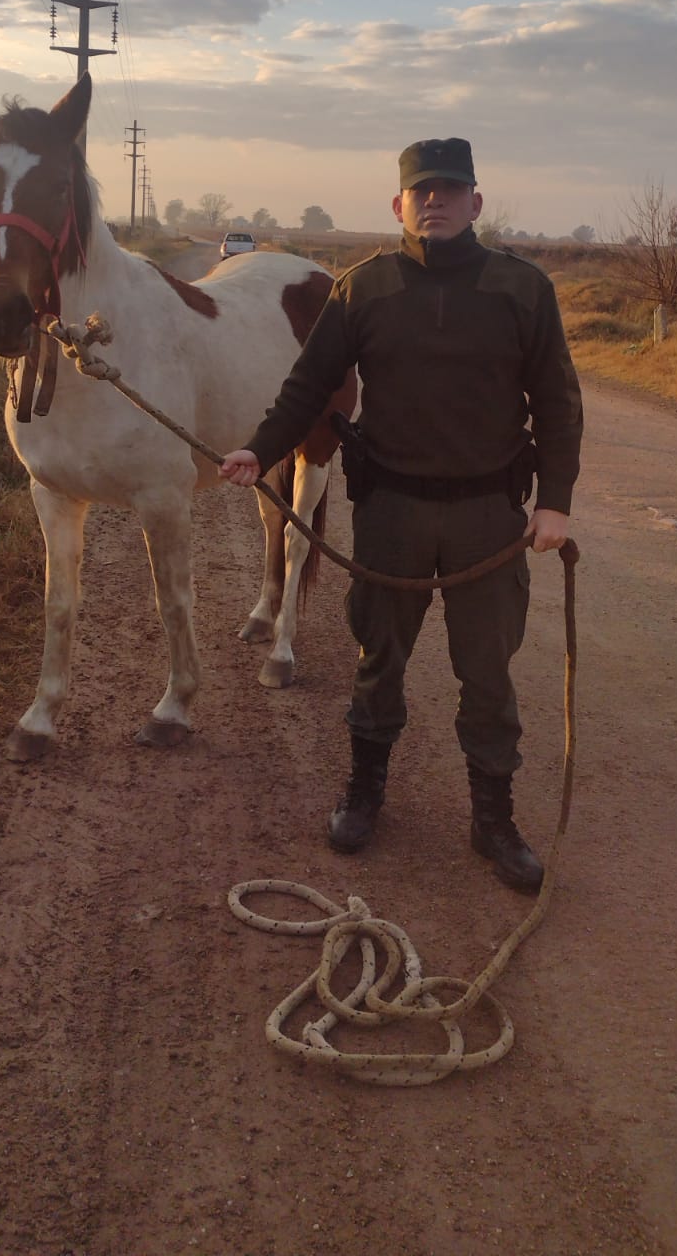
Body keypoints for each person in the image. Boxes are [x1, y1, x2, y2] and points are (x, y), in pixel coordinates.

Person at [219, 137, 582, 892]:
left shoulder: (523, 289)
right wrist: (260, 449)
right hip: (393, 513)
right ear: (399, 206)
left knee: (487, 674)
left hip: (488, 515)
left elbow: (557, 401)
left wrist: (554, 503)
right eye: (422, 191)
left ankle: (493, 821)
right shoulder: (365, 288)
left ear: (476, 202)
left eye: (451, 189)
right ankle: (365, 794)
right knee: (378, 661)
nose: (436, 201)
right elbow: (307, 384)